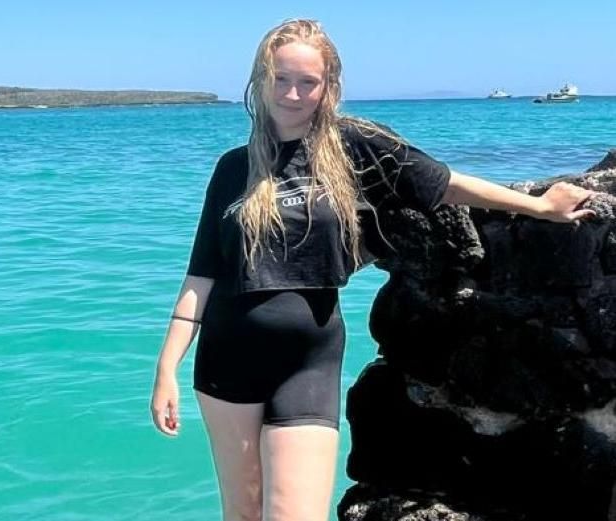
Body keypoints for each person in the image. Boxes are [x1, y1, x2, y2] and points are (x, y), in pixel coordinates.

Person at [149, 18, 596, 521]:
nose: (292, 94)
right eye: (280, 78)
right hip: (227, 357)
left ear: (328, 87)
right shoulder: (234, 167)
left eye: (307, 82)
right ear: (260, 79)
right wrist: (167, 368)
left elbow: (442, 182)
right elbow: (201, 274)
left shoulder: (356, 147)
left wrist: (538, 208)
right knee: (244, 510)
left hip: (308, 361)